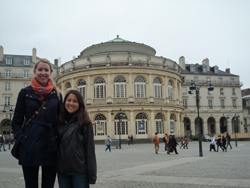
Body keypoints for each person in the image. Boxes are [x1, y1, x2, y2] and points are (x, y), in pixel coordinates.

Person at [11, 58, 62, 188]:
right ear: (34, 72)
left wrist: (84, 120)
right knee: (31, 185)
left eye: (46, 70)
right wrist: (23, 138)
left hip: (51, 146)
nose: (43, 73)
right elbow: (16, 121)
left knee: (48, 185)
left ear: (51, 72)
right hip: (30, 145)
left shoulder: (57, 94)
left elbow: (63, 118)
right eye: (40, 69)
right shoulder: (25, 93)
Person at [56, 90, 97, 188]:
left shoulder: (85, 123)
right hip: (62, 171)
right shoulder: (59, 121)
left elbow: (90, 150)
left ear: (80, 104)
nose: (71, 103)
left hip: (79, 171)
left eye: (75, 101)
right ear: (64, 102)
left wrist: (92, 175)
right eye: (68, 100)